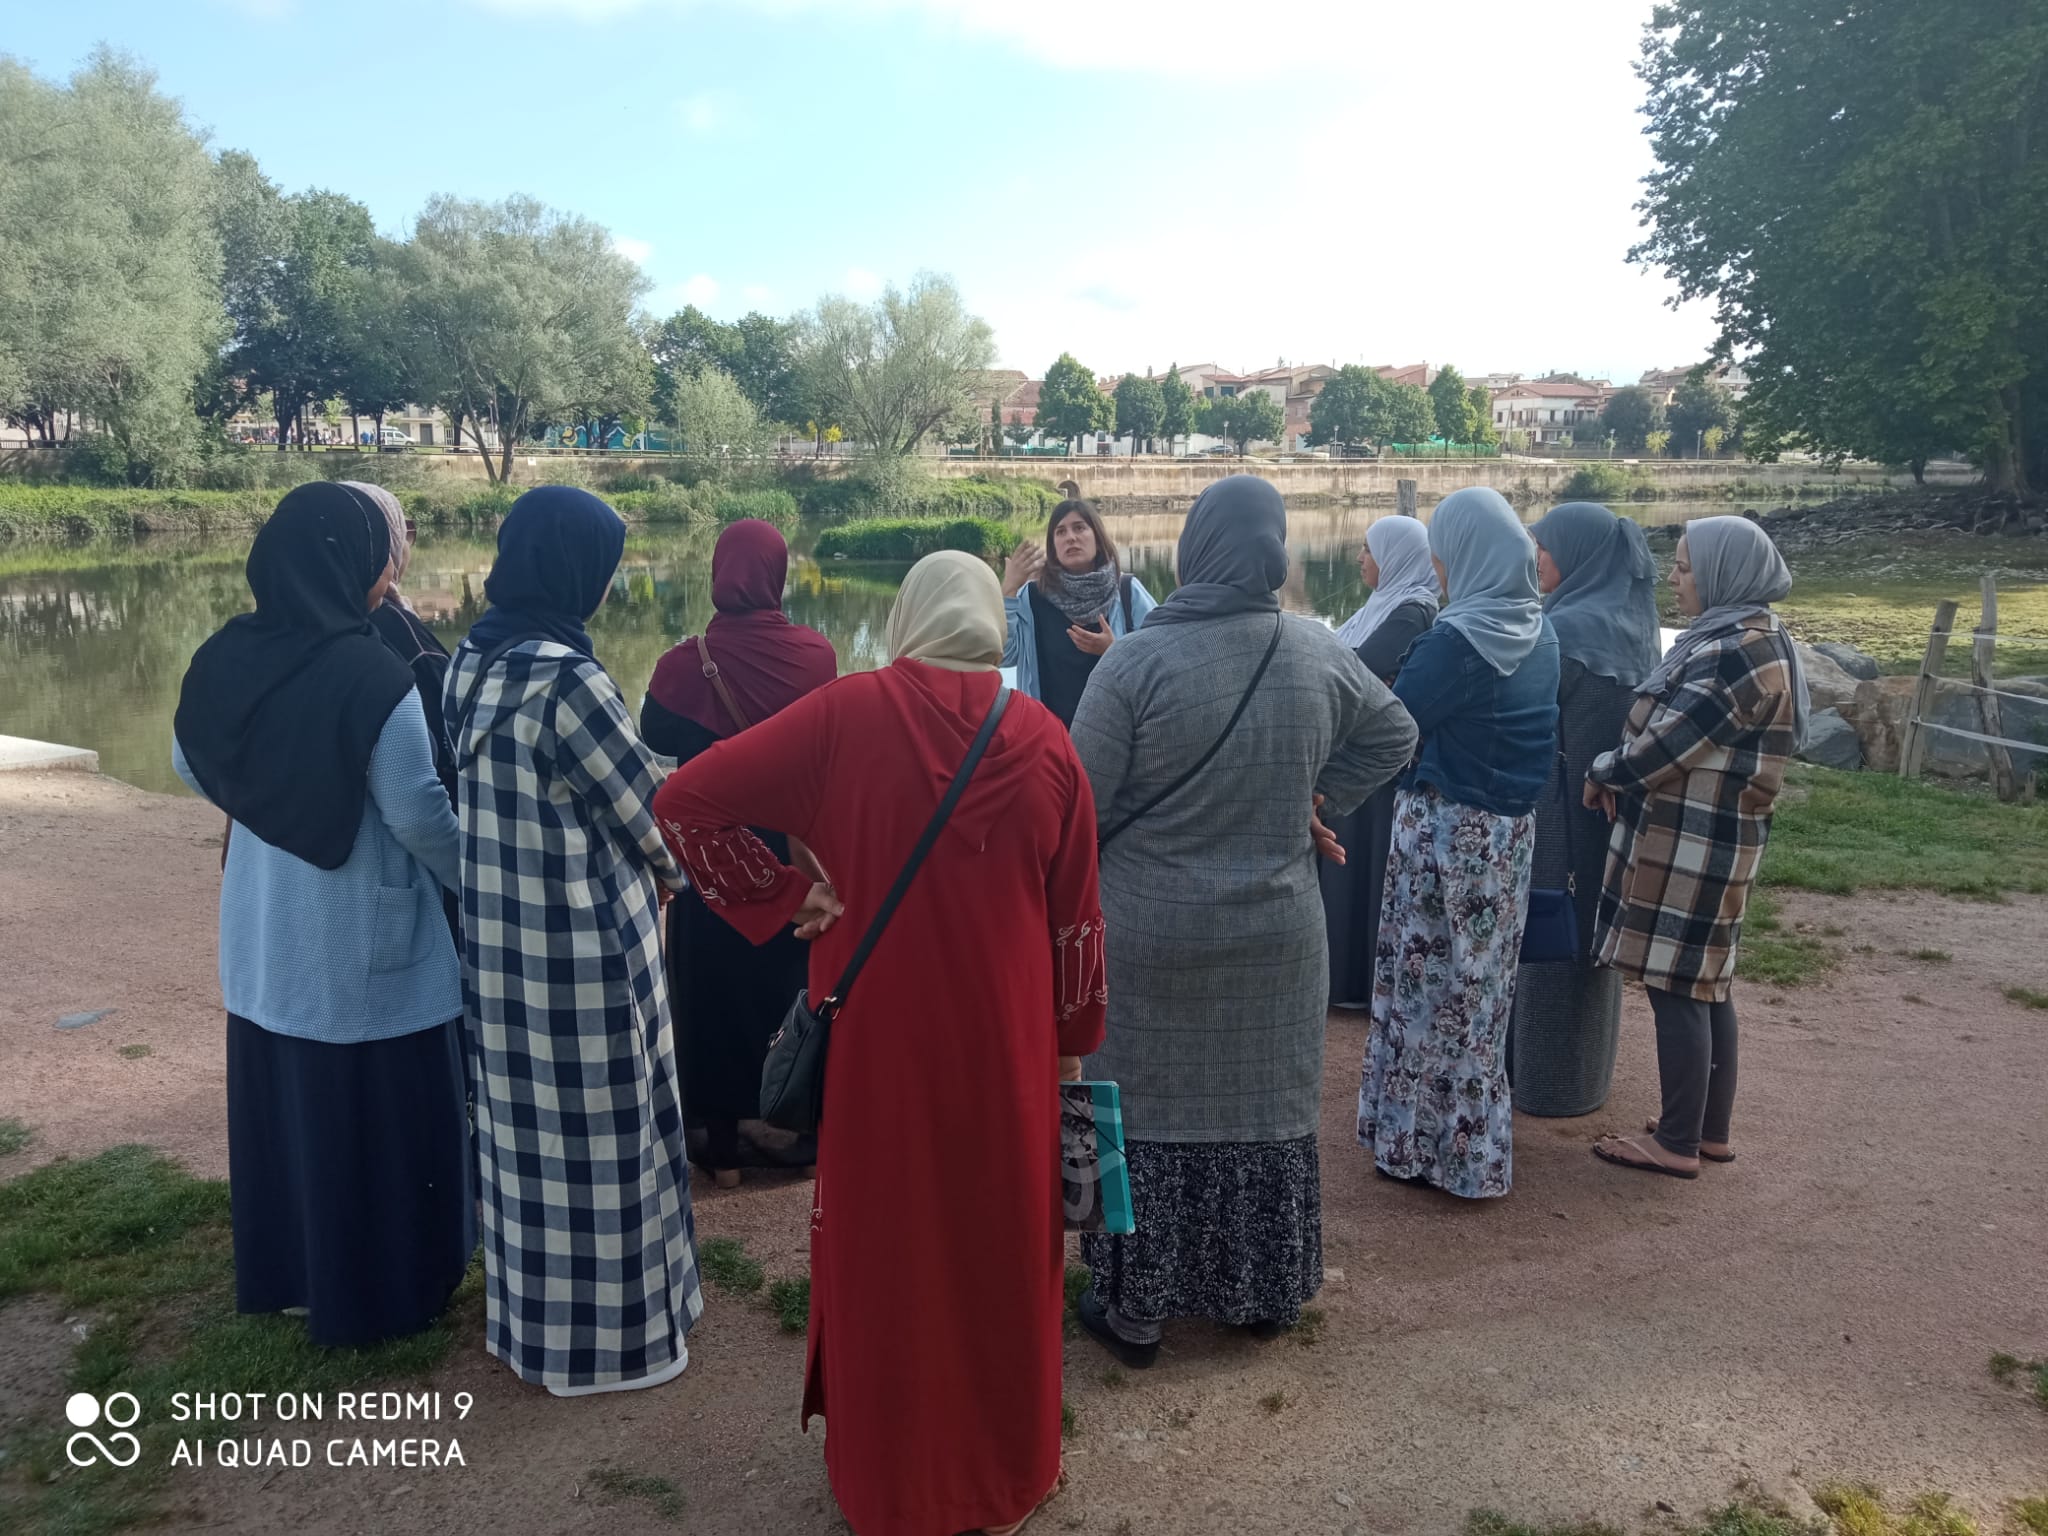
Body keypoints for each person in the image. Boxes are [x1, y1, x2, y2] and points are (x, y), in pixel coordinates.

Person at [651, 551, 1105, 1536]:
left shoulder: (844, 715)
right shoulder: (1044, 739)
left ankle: (890, 1483)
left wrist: (783, 896)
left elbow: (682, 802)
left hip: (877, 1046)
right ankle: (1005, 1477)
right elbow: (1075, 924)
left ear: (907, 616)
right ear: (988, 621)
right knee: (999, 1251)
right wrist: (1070, 1050)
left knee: (886, 1250)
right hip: (1007, 1052)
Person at [1068, 475, 1417, 1366]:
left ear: (1194, 550)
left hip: (1149, 935)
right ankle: (1259, 1296)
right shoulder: (1317, 648)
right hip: (1278, 935)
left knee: (1137, 1109)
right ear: (1273, 549)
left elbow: (1075, 810)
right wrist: (1317, 799)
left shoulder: (1134, 662)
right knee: (1263, 1113)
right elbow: (1396, 734)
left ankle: (1136, 1312)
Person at [172, 480, 473, 1348]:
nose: (391, 566)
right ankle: (384, 1292)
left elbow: (191, 763)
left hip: (266, 918)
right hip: (354, 928)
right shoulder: (372, 676)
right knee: (373, 1120)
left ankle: (297, 1276)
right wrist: (476, 878)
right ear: (350, 559)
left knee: (291, 1111)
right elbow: (418, 812)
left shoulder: (228, 652)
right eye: (382, 550)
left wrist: (274, 791)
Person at [443, 486, 701, 1398]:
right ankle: (621, 1348)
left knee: (528, 1145)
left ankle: (536, 1335)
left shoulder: (470, 661)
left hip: (501, 944)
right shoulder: (569, 680)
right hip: (586, 945)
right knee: (611, 1134)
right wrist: (696, 856)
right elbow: (653, 817)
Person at [1587, 516, 1808, 1179]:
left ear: (1723, 574)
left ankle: (1677, 1142)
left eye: (1686, 568)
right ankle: (1707, 1130)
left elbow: (1668, 745)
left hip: (1692, 843)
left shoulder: (1734, 651)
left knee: (1678, 984)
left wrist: (1603, 770)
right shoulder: (1753, 635)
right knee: (1708, 982)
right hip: (1715, 837)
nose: (1675, 579)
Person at [1358, 486, 1560, 1200]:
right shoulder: (1541, 631)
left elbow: (1390, 724)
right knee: (1481, 991)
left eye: (1443, 553)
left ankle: (1415, 1146)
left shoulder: (1456, 641)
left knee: (1423, 989)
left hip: (1445, 834)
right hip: (1507, 837)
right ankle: (1473, 1151)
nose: (1438, 567)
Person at [640, 519, 838, 1188]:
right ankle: (794, 1134)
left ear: (718, 574)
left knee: (710, 996)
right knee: (785, 989)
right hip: (789, 851)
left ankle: (719, 1150)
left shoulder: (681, 664)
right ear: (777, 574)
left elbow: (655, 735)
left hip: (708, 854)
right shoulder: (816, 657)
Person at [1508, 501, 1663, 1116]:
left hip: (1561, 810)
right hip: (1604, 811)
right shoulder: (1628, 620)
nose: (1536, 557)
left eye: (1545, 546)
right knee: (1588, 940)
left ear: (1577, 553)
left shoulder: (1570, 631)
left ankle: (1546, 1085)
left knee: (1551, 938)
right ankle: (1581, 1077)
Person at [1322, 515, 1441, 1008]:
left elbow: (1355, 671)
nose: (1360, 558)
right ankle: (1345, 978)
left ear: (1395, 556)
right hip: (1359, 753)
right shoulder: (1385, 605)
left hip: (1376, 765)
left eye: (1369, 550)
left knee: (1361, 868)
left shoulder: (1412, 611)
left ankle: (1356, 983)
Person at [1001, 496, 1157, 726]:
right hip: (1049, 736)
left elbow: (1160, 663)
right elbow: (1003, 656)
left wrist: (1113, 651)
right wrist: (1009, 589)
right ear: (1053, 545)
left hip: (1116, 732)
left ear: (1097, 538)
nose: (1070, 537)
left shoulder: (1127, 591)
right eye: (1060, 532)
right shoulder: (1032, 597)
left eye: (1079, 528)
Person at [351, 482, 457, 806]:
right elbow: (446, 754)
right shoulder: (407, 641)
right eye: (403, 532)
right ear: (381, 547)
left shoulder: (268, 635)